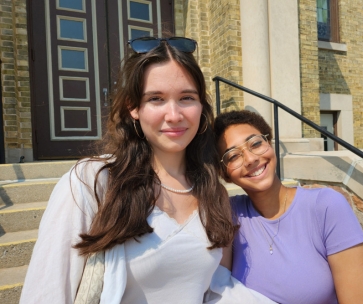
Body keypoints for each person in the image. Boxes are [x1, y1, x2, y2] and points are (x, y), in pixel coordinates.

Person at [20, 37, 272, 304]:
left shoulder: (214, 194)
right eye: (156, 99)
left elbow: (218, 289)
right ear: (134, 108)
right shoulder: (93, 182)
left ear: (201, 107)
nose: (174, 114)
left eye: (187, 97)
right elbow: (47, 293)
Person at [214, 110, 363, 304]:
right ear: (224, 174)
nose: (250, 159)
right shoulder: (229, 215)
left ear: (269, 144)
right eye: (233, 156)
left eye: (256, 143)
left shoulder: (326, 207)